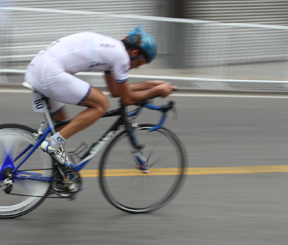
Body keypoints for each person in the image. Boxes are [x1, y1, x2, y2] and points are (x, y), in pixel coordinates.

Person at [24, 25, 176, 168]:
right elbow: (126, 99)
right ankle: (52, 144)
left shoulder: (113, 49)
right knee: (101, 104)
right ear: (135, 53)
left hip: (38, 69)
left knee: (63, 128)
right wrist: (156, 92)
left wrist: (147, 85)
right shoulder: (121, 56)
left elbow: (116, 91)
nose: (138, 66)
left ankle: (58, 179)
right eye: (141, 63)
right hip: (49, 73)